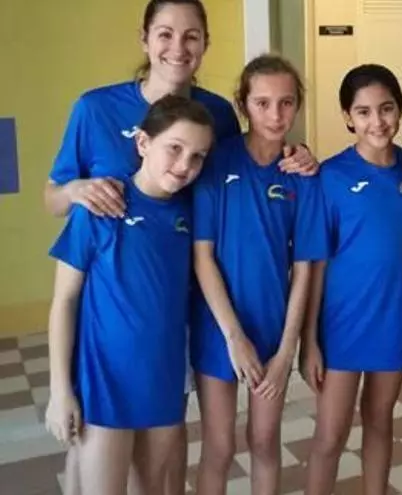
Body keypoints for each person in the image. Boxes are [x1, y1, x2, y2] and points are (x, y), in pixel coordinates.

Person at [43, 3, 315, 494]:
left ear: (205, 43)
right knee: (97, 463)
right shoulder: (95, 109)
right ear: (145, 37)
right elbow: (52, 200)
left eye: (192, 36)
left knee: (164, 467)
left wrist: (298, 156)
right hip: (108, 323)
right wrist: (77, 191)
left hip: (178, 320)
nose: (178, 47)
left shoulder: (219, 115)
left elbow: (253, 160)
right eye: (165, 34)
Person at [44, 94, 214, 495]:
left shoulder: (188, 214)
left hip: (163, 379)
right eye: (175, 148)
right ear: (142, 142)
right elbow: (64, 301)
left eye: (198, 157)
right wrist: (60, 390)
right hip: (103, 382)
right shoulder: (99, 206)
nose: (184, 165)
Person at [189, 54, 327, 495]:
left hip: (272, 325)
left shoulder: (303, 176)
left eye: (286, 103)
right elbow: (202, 256)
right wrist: (233, 336)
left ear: (298, 105)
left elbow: (305, 268)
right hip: (218, 325)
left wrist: (287, 350)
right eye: (262, 103)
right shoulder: (216, 162)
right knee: (219, 447)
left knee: (265, 441)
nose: (275, 115)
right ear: (243, 105)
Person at [299, 64, 402, 495]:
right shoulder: (331, 177)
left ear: (400, 109)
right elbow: (316, 264)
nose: (377, 121)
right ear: (348, 117)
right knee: (330, 435)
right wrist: (309, 340)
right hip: (340, 326)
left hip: (393, 320)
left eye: (386, 108)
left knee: (380, 421)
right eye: (363, 112)